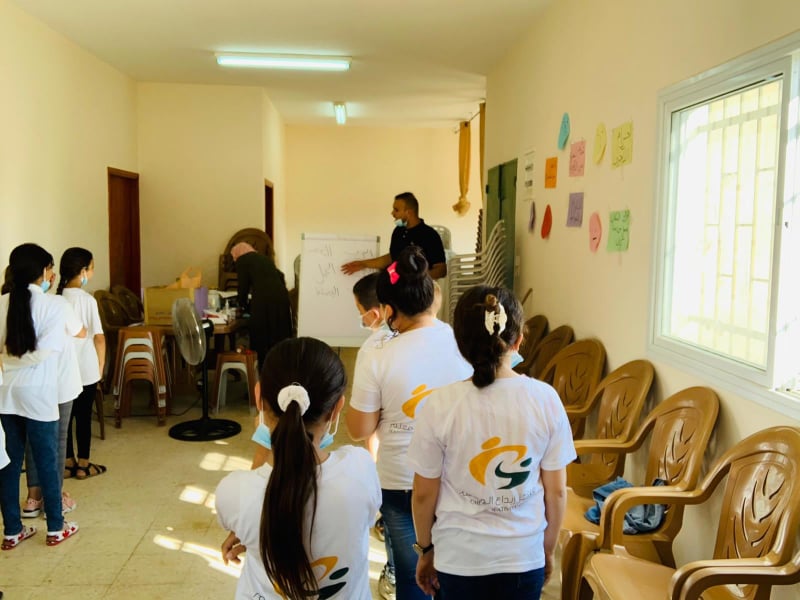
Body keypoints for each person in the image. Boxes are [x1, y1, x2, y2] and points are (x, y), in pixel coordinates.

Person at [407, 286, 576, 600]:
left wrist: (426, 550)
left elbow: (423, 494)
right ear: (519, 341)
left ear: (461, 345)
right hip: (523, 558)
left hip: (458, 559)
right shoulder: (546, 399)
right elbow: (556, 491)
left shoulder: (439, 404)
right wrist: (547, 550)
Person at [346, 246, 472, 600]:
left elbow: (359, 429)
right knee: (457, 572)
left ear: (387, 310)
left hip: (402, 481)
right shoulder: (464, 340)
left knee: (411, 577)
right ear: (434, 296)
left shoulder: (376, 352)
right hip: (458, 476)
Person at [215, 337, 380, 599]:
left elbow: (265, 497)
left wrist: (250, 530)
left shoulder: (235, 493)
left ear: (258, 396)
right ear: (337, 408)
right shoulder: (360, 469)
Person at [0, 243, 79, 548]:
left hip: (6, 393)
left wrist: (6, 361)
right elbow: (44, 352)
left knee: (9, 462)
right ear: (45, 272)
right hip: (40, 395)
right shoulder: (54, 306)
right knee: (47, 460)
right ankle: (56, 527)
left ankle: (12, 530)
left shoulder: (2, 303)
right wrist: (13, 359)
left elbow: (7, 354)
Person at [58, 248, 107, 480]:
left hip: (63, 369)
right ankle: (84, 464)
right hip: (86, 368)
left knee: (65, 418)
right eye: (92, 267)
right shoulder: (87, 300)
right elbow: (99, 337)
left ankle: (67, 463)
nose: (93, 272)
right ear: (83, 271)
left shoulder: (56, 299)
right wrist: (101, 366)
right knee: (84, 416)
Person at [341, 192, 447, 280]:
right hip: (397, 290)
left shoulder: (430, 235)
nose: (392, 213)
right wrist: (363, 264)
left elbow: (441, 270)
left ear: (409, 213)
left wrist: (416, 279)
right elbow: (392, 257)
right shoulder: (398, 231)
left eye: (396, 210)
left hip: (420, 293)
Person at [231, 242, 293, 367]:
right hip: (282, 298)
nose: (235, 260)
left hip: (264, 300)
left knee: (261, 335)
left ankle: (263, 369)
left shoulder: (243, 260)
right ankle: (281, 367)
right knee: (279, 334)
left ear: (237, 254)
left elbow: (243, 286)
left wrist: (242, 305)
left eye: (234, 257)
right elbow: (281, 276)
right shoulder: (264, 259)